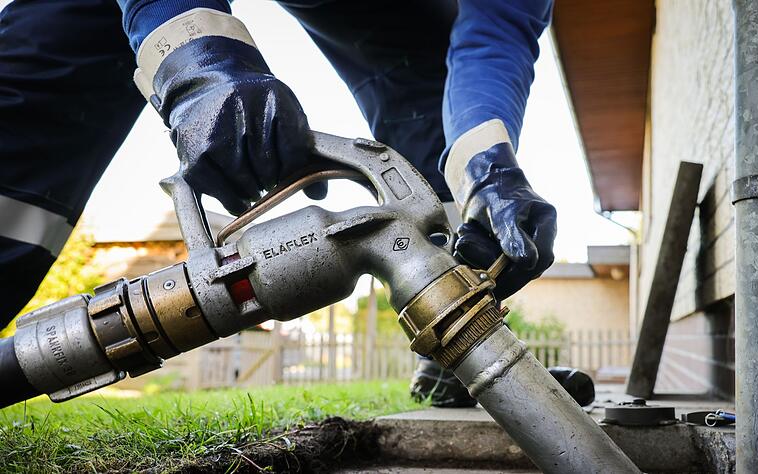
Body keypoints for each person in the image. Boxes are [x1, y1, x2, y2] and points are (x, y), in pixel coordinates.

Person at [0, 0, 558, 403]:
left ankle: (461, 345)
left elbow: (494, 35)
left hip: (384, 16)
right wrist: (199, 68)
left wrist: (488, 169)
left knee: (433, 147)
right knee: (51, 73)